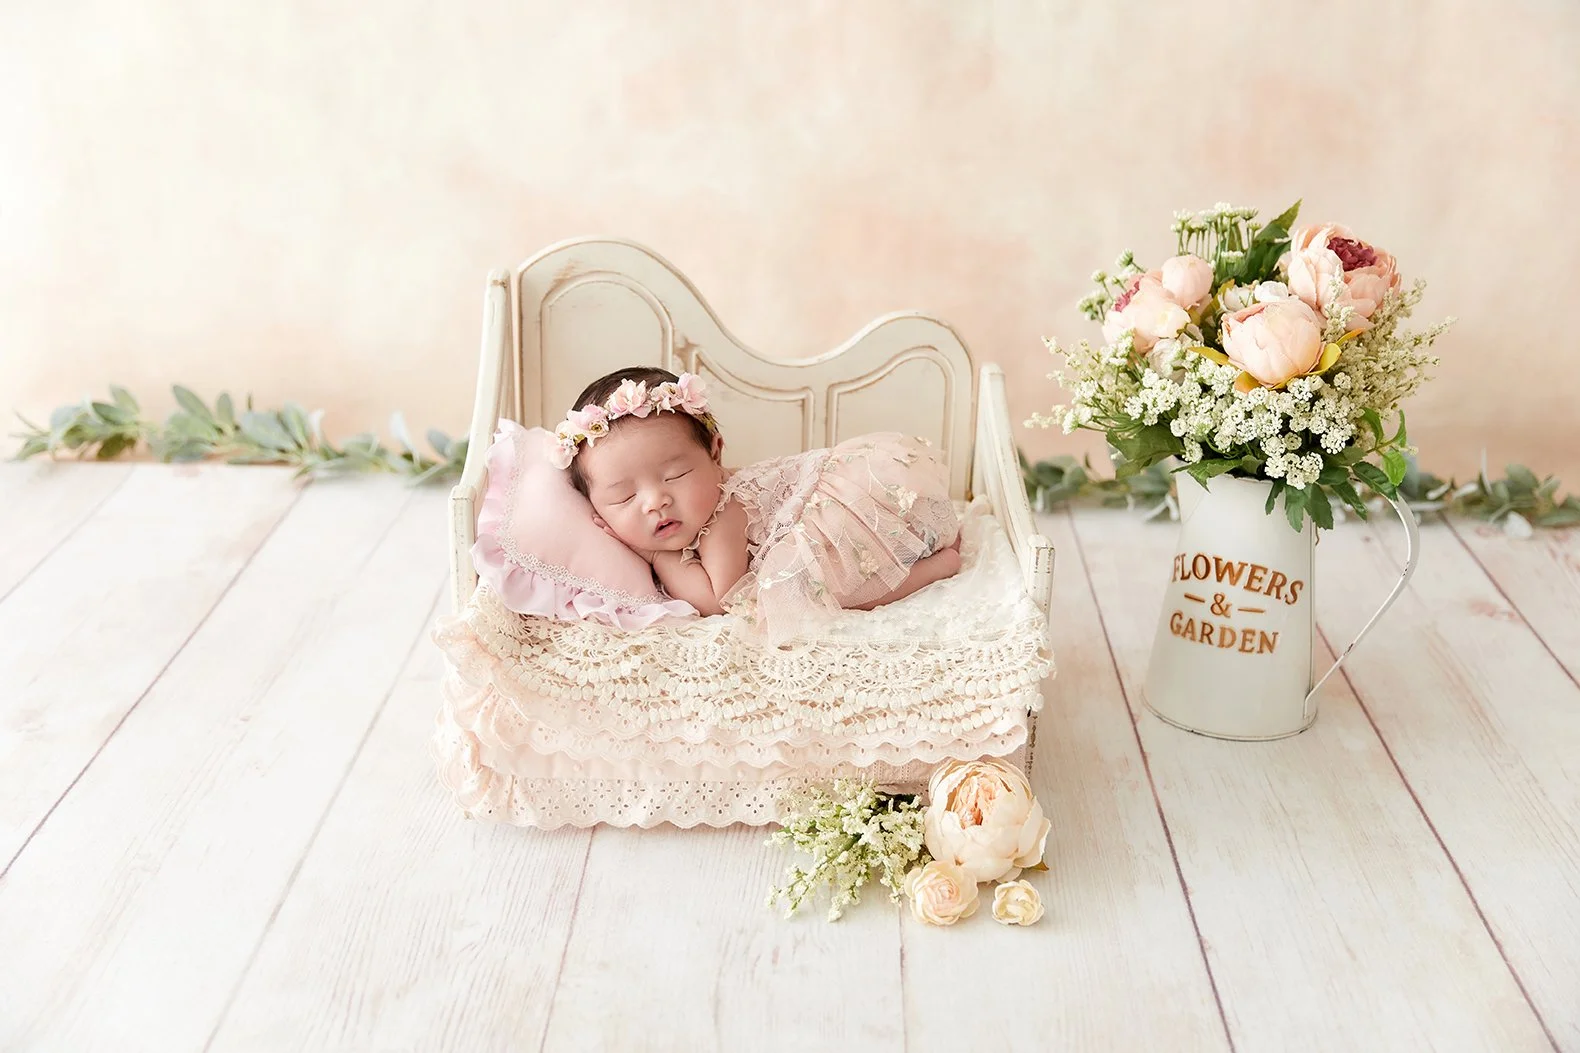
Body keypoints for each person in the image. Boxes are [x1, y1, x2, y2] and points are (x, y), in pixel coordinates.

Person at [553, 366, 961, 644]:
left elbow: (720, 600)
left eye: (674, 476)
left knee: (810, 593)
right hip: (870, 496)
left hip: (861, 508)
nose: (655, 501)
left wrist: (654, 555)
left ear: (716, 454)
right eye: (624, 497)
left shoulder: (724, 511)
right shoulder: (692, 503)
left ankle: (934, 569)